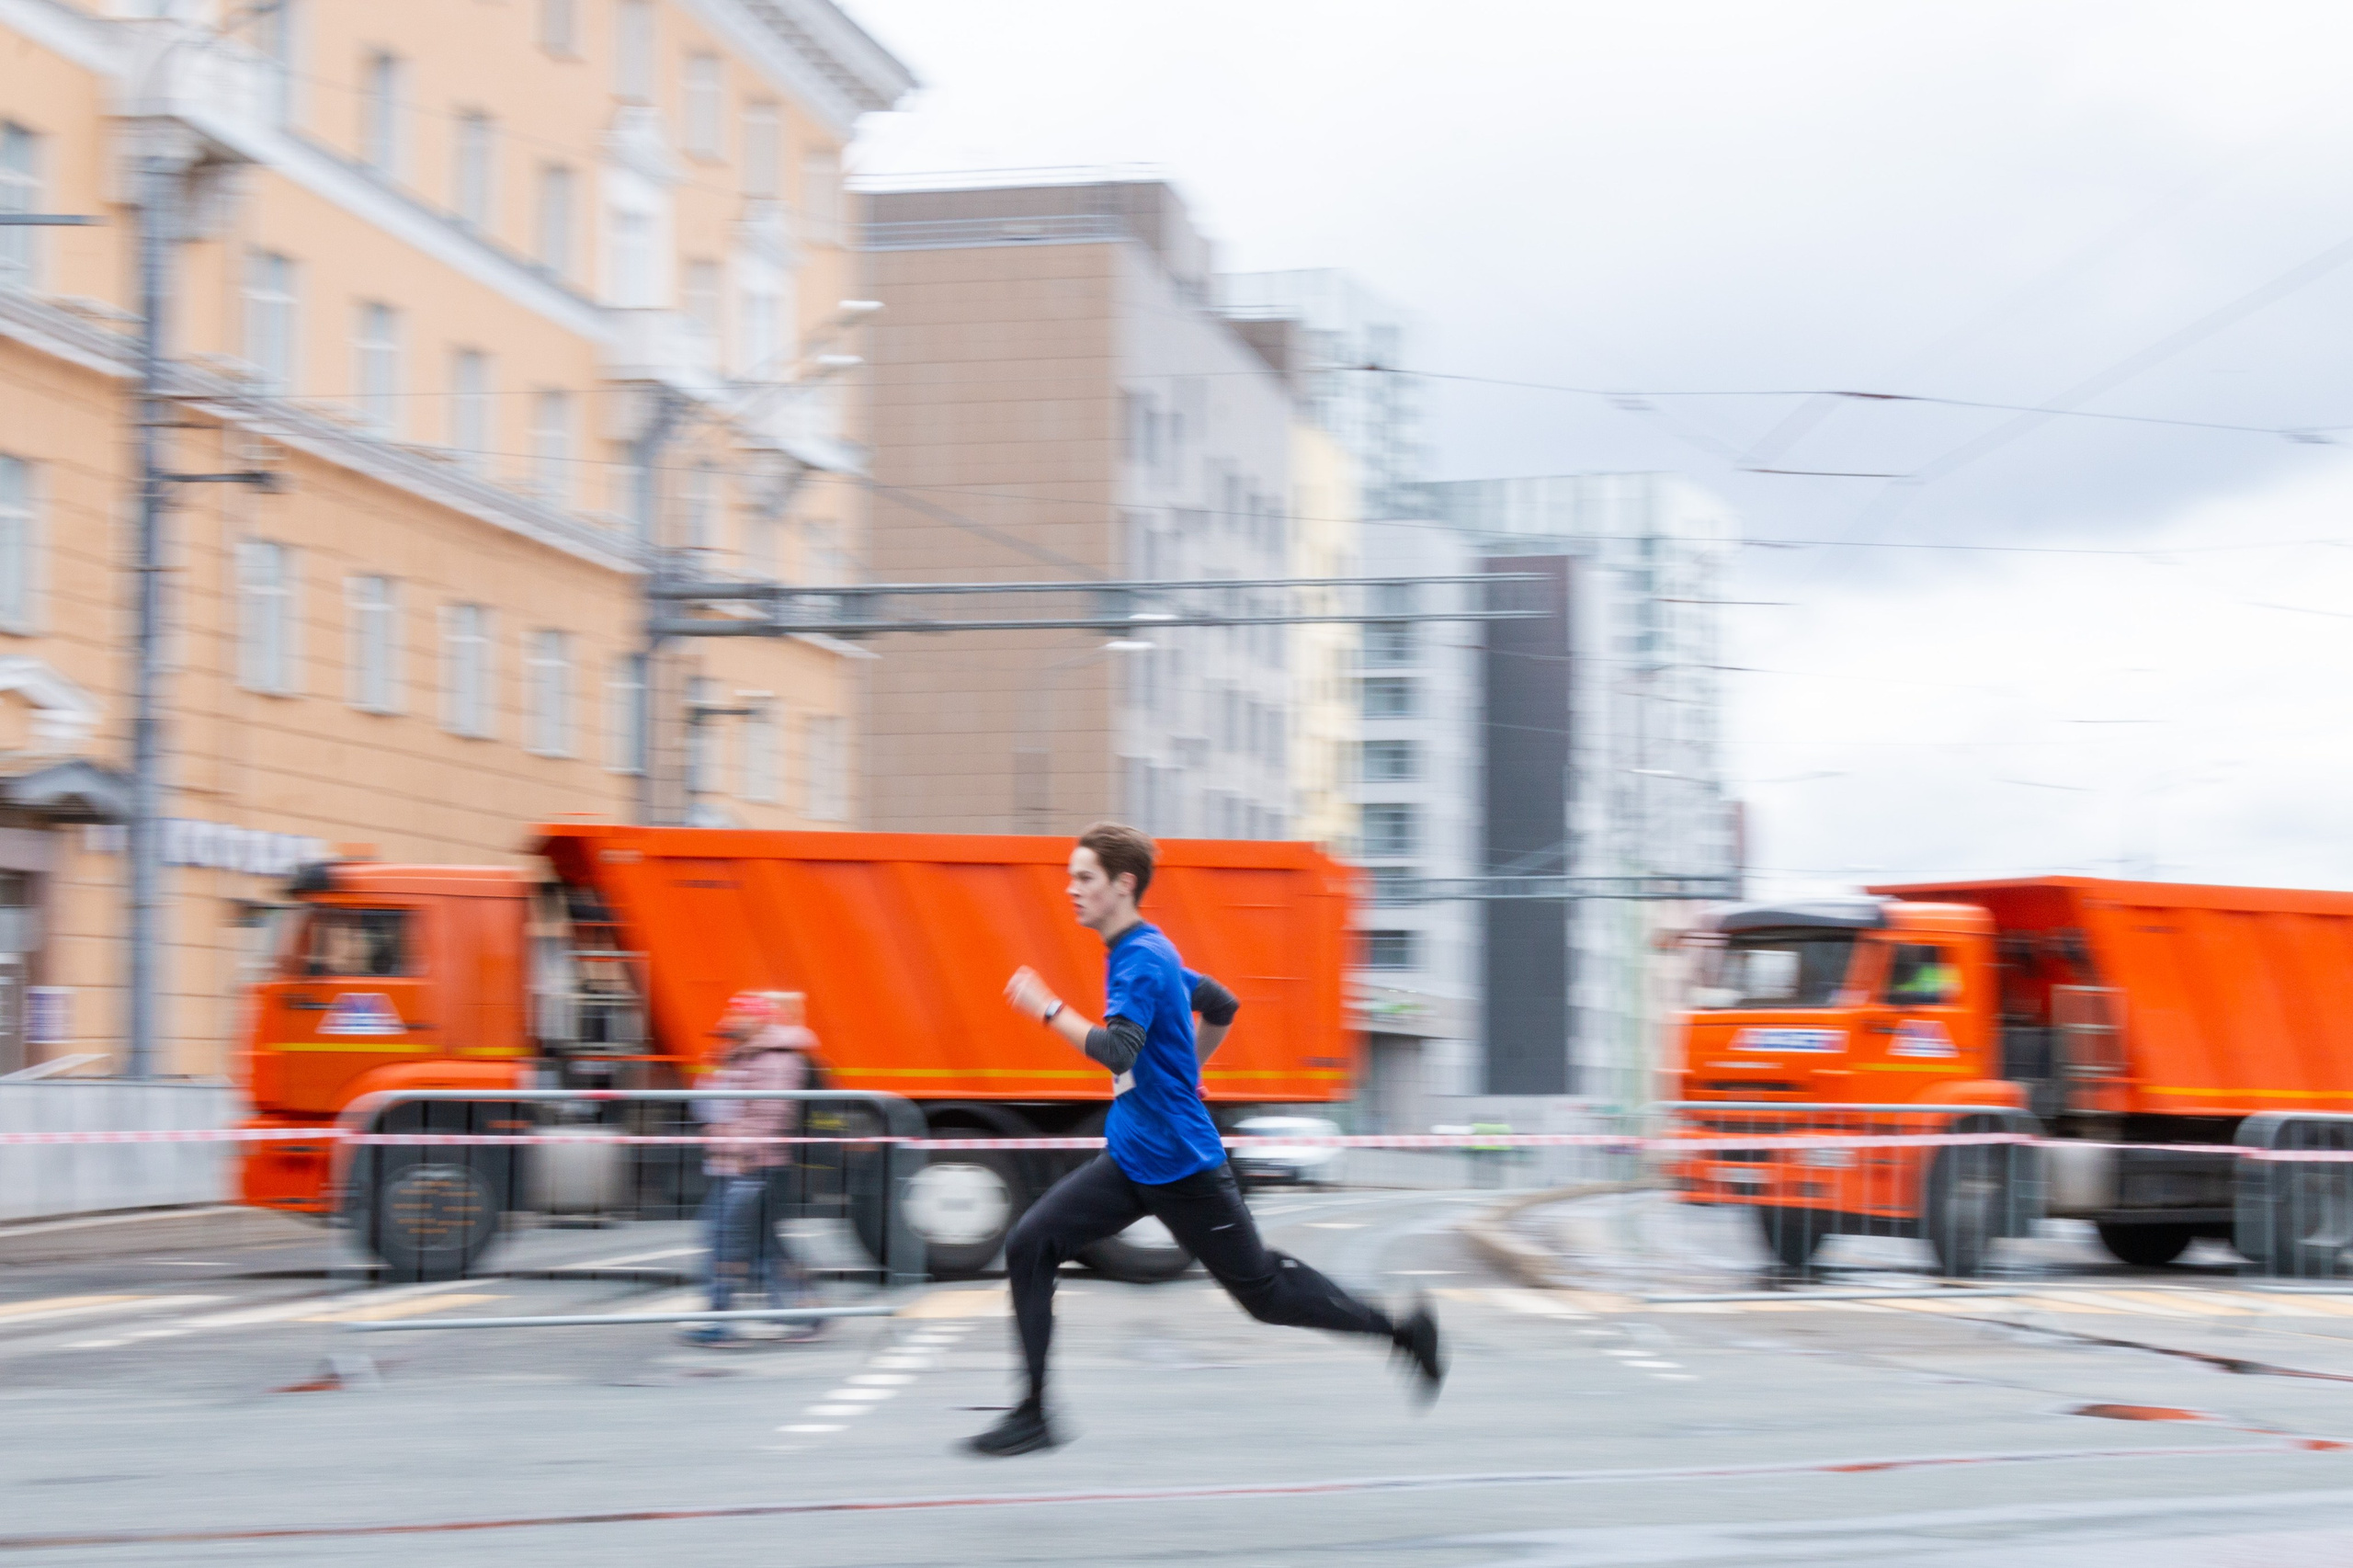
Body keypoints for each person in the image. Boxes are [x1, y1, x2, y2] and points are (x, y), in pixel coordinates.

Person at [964, 822, 1444, 1457]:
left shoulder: (1139, 959)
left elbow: (1116, 1050)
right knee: (1031, 1244)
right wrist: (1185, 1073)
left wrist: (1048, 1009)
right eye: (1071, 877)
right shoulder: (1148, 951)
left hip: (1185, 1168)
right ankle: (1034, 1412)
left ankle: (1403, 1333)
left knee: (1265, 1295)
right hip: (1136, 1157)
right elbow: (1221, 1003)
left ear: (1122, 885)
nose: (1070, 890)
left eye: (1084, 878)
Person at [682, 991, 820, 1346]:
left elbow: (771, 1115)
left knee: (724, 1241)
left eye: (738, 1020)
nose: (732, 1028)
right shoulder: (744, 1056)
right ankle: (806, 1313)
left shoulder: (774, 1058)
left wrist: (744, 1153)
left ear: (756, 1022)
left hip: (751, 1165)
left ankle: (720, 1321)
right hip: (738, 1164)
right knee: (763, 1247)